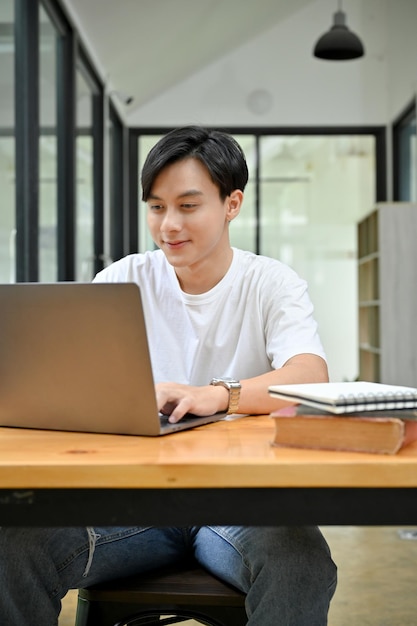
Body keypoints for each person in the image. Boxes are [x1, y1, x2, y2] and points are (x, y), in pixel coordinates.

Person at [0, 126, 337, 625]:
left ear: (231, 204)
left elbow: (310, 375)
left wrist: (217, 396)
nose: (168, 225)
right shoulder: (121, 279)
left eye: (187, 205)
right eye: (156, 207)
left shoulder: (270, 282)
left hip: (236, 507)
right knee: (13, 544)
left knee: (301, 562)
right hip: (129, 508)